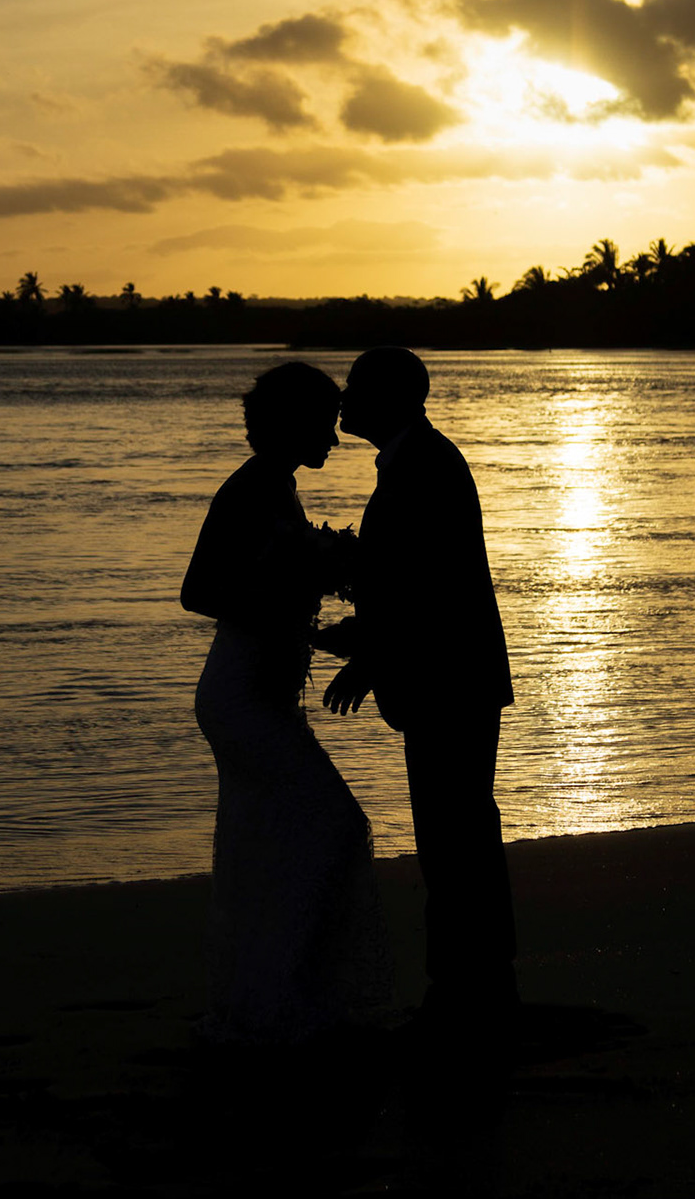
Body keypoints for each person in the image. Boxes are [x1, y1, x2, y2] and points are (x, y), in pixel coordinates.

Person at [181, 361, 391, 1044]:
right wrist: (301, 610)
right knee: (330, 826)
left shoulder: (278, 488)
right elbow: (201, 592)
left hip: (262, 694)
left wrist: (315, 614)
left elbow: (273, 594)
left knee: (270, 840)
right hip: (241, 695)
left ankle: (270, 998)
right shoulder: (252, 489)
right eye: (325, 422)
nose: (333, 436)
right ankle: (284, 1000)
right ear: (295, 423)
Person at [319, 347, 518, 1029]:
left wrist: (365, 656)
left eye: (354, 389)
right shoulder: (418, 461)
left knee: (453, 835)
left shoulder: (425, 466)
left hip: (448, 681)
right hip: (449, 676)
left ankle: (466, 986)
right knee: (458, 833)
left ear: (392, 399)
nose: (343, 401)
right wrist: (359, 639)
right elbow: (406, 586)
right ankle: (475, 979)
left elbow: (427, 592)